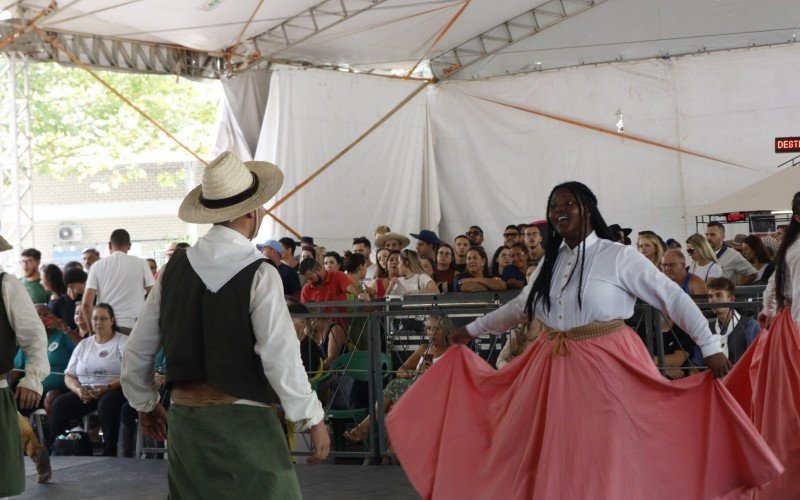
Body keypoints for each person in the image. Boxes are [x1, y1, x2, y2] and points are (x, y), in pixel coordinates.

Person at [387, 181, 782, 499]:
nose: (558, 211)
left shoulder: (618, 256)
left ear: (588, 210)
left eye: (568, 204)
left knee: (604, 450)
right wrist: (471, 330)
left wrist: (709, 346)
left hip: (608, 365)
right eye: (553, 206)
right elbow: (522, 308)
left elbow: (673, 297)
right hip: (551, 367)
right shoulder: (551, 262)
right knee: (549, 453)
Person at [120, 152, 330, 498]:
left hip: (187, 423)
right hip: (244, 423)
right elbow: (280, 356)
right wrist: (311, 417)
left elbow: (138, 349)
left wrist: (145, 403)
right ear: (252, 211)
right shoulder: (260, 273)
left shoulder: (174, 269)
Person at [724, 191, 800, 499]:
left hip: (785, 331)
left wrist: (770, 314)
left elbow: (772, 290)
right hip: (792, 335)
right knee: (790, 411)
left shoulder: (790, 247)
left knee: (783, 409)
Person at [344, 315, 454, 444]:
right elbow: (400, 371)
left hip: (437, 393)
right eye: (429, 328)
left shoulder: (452, 352)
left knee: (394, 386)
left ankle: (364, 428)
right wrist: (415, 372)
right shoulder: (424, 349)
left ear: (446, 331)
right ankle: (382, 446)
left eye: (437, 329)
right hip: (415, 388)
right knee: (394, 393)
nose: (432, 333)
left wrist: (435, 372)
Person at [1, 235, 51, 493]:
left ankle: (35, 450)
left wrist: (33, 378)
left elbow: (33, 335)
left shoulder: (7, 285)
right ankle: (35, 449)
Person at [50, 303, 128, 456]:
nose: (98, 322)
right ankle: (60, 447)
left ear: (112, 320)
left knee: (106, 403)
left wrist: (107, 387)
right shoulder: (84, 344)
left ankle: (110, 450)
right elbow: (69, 375)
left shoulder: (123, 342)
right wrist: (78, 390)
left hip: (116, 389)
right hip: (87, 391)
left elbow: (130, 373)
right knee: (59, 404)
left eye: (103, 318)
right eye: (95, 319)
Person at [82, 229, 155, 334]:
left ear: (110, 245)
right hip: (133, 327)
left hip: (105, 327)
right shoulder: (141, 264)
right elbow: (154, 297)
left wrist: (92, 332)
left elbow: (86, 304)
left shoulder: (96, 266)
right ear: (129, 246)